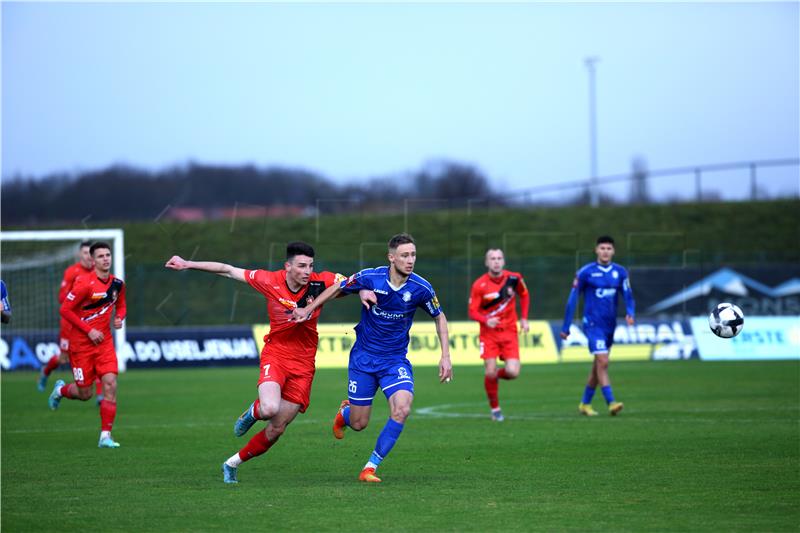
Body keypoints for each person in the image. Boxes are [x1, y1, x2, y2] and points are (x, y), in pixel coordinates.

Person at [165, 242, 356, 484]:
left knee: (277, 428)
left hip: (304, 365)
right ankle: (253, 412)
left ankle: (232, 463)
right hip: (276, 354)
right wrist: (188, 264)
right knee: (268, 409)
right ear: (287, 266)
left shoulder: (320, 282)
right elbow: (228, 269)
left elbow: (353, 282)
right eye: (301, 266)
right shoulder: (269, 280)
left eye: (310, 266)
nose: (307, 271)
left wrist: (365, 292)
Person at [292, 233, 453, 483]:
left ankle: (370, 467)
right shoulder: (370, 277)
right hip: (364, 360)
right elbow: (337, 287)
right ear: (391, 258)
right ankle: (345, 415)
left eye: (413, 255)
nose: (410, 260)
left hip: (394, 361)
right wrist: (307, 309)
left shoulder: (421, 288)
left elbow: (439, 316)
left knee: (402, 409)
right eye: (404, 256)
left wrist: (446, 356)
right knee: (358, 424)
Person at [49, 242, 126, 447]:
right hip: (81, 346)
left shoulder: (117, 283)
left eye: (108, 255)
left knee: (110, 384)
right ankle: (61, 391)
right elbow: (65, 310)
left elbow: (121, 304)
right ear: (93, 261)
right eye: (100, 256)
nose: (106, 259)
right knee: (85, 394)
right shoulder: (84, 283)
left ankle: (105, 436)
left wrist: (120, 317)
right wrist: (88, 330)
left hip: (105, 344)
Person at [560, 235, 635, 416]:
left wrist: (630, 312)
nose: (605, 252)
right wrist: (566, 326)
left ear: (613, 251)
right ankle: (611, 402)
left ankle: (585, 404)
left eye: (609, 248)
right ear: (596, 250)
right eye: (602, 248)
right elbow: (572, 299)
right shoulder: (585, 273)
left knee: (598, 365)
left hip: (610, 325)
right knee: (603, 360)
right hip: (592, 324)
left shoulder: (620, 272)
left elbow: (628, 295)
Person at [468, 248, 529, 422]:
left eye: (499, 258)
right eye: (492, 258)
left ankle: (494, 376)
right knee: (489, 372)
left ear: (503, 261)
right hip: (489, 335)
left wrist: (524, 319)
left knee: (513, 372)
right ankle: (495, 409)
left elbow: (524, 295)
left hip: (509, 332)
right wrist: (486, 320)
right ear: (487, 262)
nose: (496, 261)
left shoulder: (514, 278)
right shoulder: (479, 285)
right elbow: (472, 312)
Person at [38, 241, 97, 393]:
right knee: (64, 357)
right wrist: (79, 296)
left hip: (89, 321)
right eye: (85, 253)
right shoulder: (72, 272)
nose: (89, 256)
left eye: (91, 253)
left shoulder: (98, 272)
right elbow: (61, 298)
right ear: (79, 254)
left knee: (95, 354)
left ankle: (100, 396)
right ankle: (46, 371)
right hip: (69, 322)